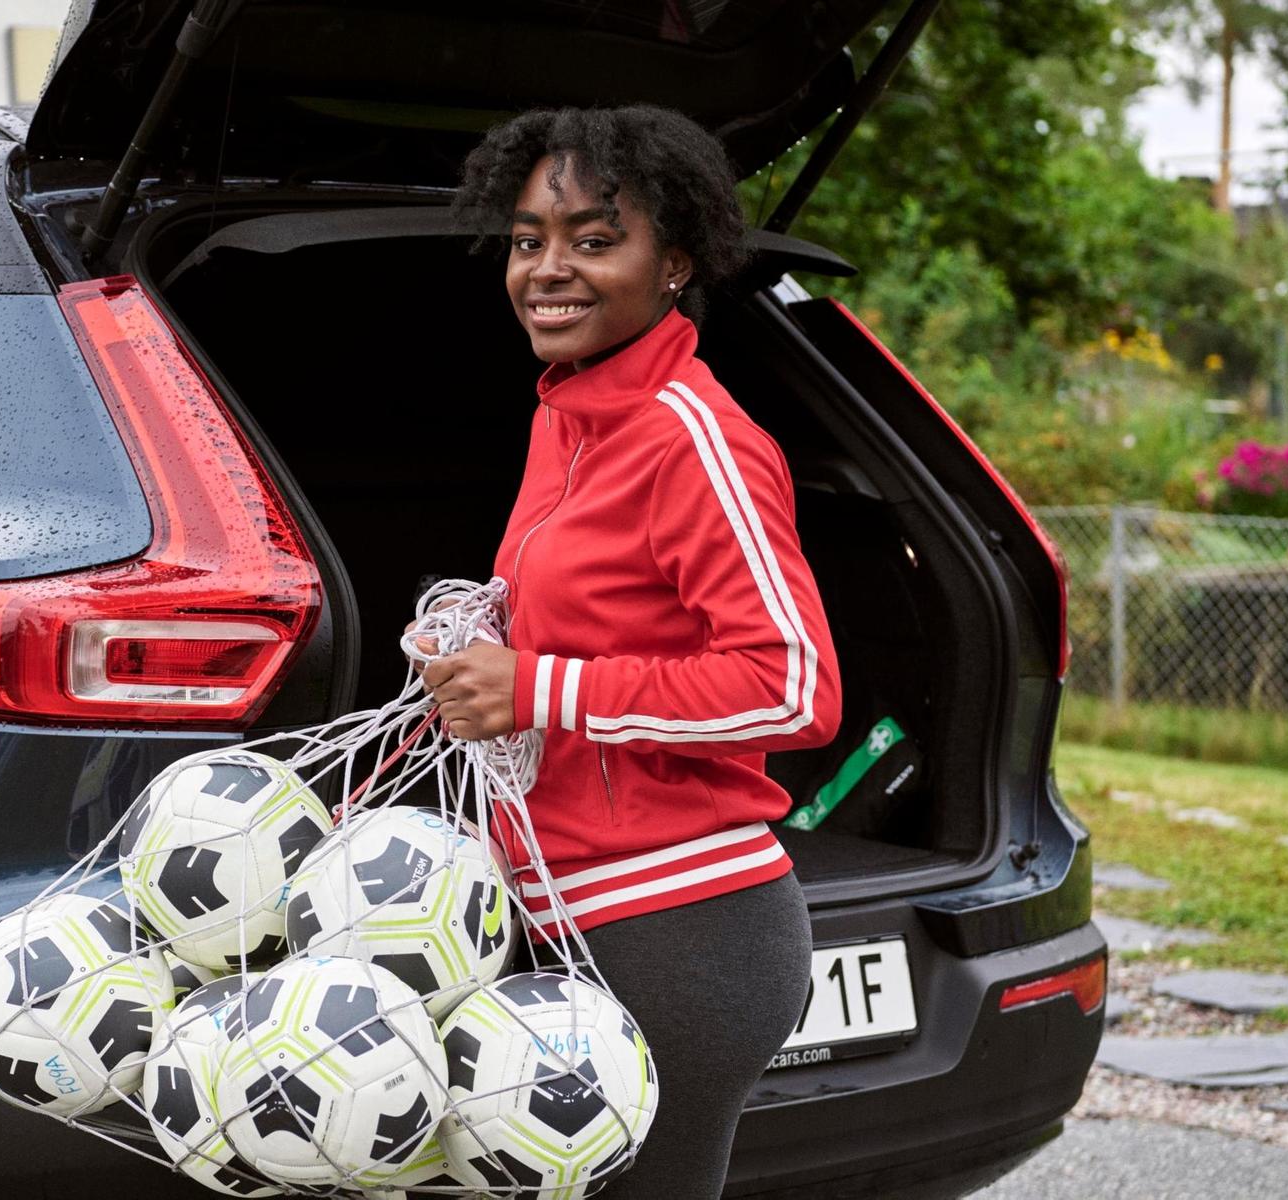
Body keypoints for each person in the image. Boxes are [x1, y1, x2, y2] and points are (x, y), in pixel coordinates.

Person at [420, 106, 843, 1198]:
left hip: (681, 931)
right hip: (559, 908)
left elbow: (791, 688)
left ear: (675, 264)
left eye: (593, 240)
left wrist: (539, 686)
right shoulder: (565, 416)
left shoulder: (691, 441)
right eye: (526, 239)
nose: (547, 270)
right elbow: (573, 655)